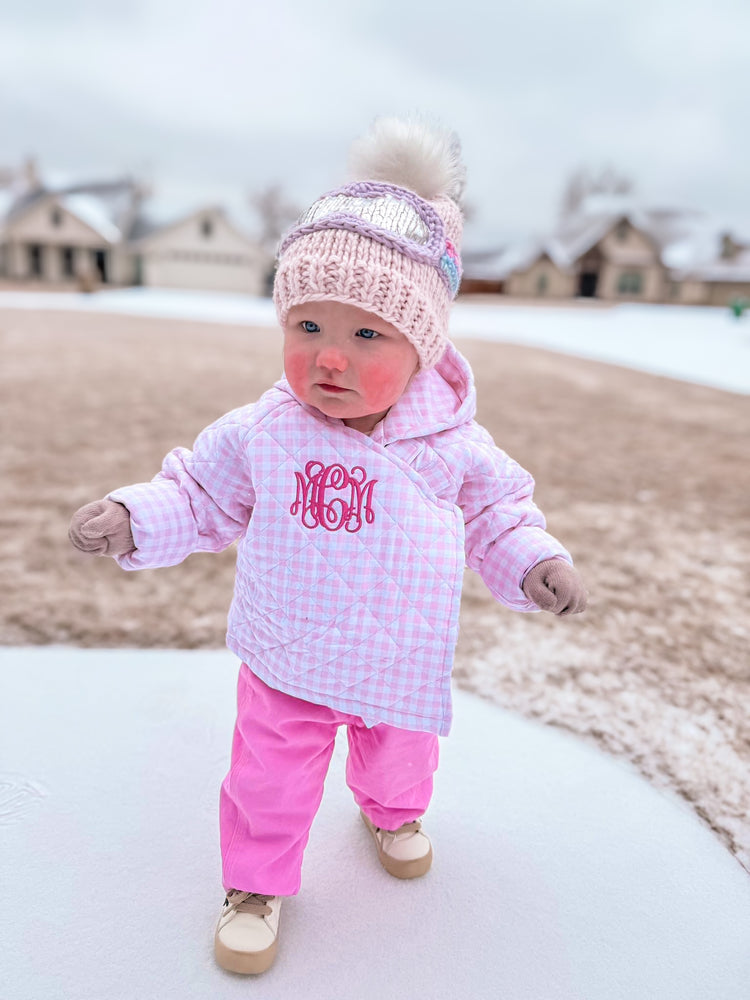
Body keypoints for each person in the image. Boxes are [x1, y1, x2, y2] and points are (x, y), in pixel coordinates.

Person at [68, 116, 587, 975]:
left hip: (399, 662)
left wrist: (534, 561)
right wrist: (135, 514)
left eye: (364, 336)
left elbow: (499, 510)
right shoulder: (267, 430)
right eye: (307, 328)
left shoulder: (452, 441)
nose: (329, 360)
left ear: (422, 348)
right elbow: (201, 492)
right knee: (268, 781)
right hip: (287, 658)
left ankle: (394, 814)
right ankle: (255, 884)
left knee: (402, 760)